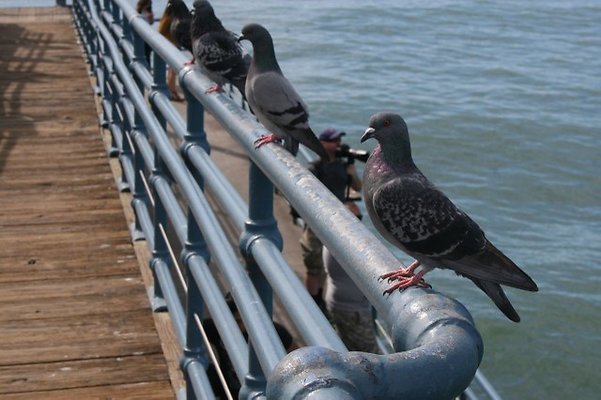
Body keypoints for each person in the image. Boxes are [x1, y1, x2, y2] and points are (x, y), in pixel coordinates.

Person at [299, 128, 362, 311]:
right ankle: (314, 303)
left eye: (338, 140)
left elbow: (358, 187)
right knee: (313, 264)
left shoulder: (343, 165)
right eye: (334, 140)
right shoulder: (315, 167)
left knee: (327, 264)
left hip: (337, 221)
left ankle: (321, 303)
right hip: (318, 220)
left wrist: (352, 172)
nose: (338, 144)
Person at [157, 1, 184, 101]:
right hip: (172, 46)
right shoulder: (172, 19)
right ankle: (173, 92)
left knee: (171, 71)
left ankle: (171, 90)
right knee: (173, 71)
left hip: (167, 45)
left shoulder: (165, 18)